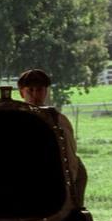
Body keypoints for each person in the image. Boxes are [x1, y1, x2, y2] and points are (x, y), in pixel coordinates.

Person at [17, 69, 87, 205]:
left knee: (80, 171)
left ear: (45, 92)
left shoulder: (59, 120)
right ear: (21, 93)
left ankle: (75, 210)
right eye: (30, 90)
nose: (35, 94)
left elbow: (70, 153)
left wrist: (68, 181)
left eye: (39, 90)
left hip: (59, 172)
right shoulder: (16, 119)